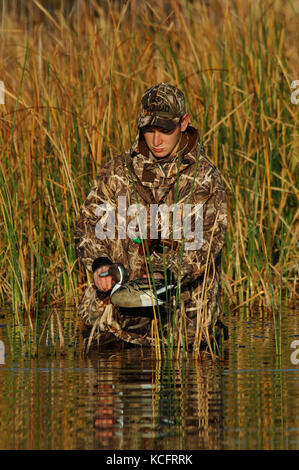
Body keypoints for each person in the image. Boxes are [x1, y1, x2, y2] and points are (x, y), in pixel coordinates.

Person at [74, 83, 228, 350]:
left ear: (183, 123)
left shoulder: (205, 178)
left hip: (182, 328)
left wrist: (163, 277)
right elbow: (88, 225)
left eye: (165, 130)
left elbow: (206, 243)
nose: (156, 141)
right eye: (149, 130)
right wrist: (100, 265)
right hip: (118, 323)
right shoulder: (116, 173)